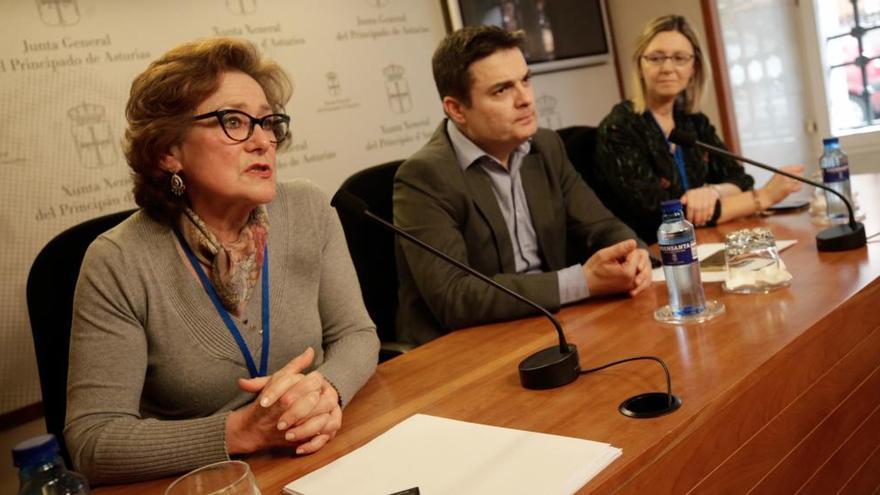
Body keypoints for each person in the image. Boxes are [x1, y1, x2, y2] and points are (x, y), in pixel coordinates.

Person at [64, 38, 379, 485]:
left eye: (269, 122)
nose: (263, 140)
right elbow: (93, 441)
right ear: (167, 151)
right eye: (234, 121)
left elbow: (356, 333)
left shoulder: (308, 209)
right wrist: (241, 432)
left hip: (321, 457)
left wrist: (326, 390)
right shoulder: (118, 261)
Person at [394, 26, 651, 346]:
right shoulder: (424, 177)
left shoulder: (545, 146)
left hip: (549, 325)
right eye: (502, 90)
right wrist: (581, 283)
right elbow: (455, 295)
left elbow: (602, 226)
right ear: (457, 109)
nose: (526, 99)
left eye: (525, 80)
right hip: (466, 347)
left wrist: (635, 255)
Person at [594, 15, 804, 244]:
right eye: (655, 58)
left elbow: (739, 178)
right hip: (653, 255)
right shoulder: (618, 128)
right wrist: (763, 197)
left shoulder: (693, 122)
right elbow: (665, 217)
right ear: (640, 66)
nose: (667, 68)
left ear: (694, 67)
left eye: (680, 58)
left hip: (704, 242)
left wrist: (713, 192)